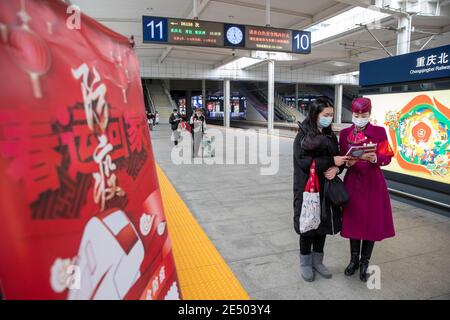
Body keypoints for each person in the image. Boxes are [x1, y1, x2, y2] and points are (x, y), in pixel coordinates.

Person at [339, 97, 395, 282]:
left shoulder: (379, 132)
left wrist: (374, 159)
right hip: (353, 182)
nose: (360, 117)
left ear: (369, 114)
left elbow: (387, 157)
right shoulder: (345, 133)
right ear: (352, 114)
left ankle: (365, 262)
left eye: (363, 114)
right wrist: (349, 162)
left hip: (373, 183)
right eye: (356, 114)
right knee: (354, 222)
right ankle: (353, 259)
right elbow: (342, 157)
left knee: (371, 223)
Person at [293, 97, 348, 282]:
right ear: (315, 114)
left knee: (323, 225)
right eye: (326, 115)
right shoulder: (303, 135)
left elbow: (339, 158)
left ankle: (318, 261)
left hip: (326, 189)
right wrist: (331, 162)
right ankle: (305, 263)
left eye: (331, 115)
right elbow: (303, 162)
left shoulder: (331, 135)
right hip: (307, 188)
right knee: (308, 226)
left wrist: (337, 168)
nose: (329, 118)